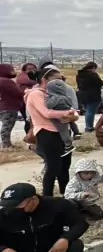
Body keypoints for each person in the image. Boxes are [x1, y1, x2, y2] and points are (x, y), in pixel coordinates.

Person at [24, 68, 79, 196]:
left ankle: (66, 195)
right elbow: (46, 113)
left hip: (62, 134)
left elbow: (73, 110)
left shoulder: (54, 93)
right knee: (53, 168)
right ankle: (47, 198)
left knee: (64, 168)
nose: (61, 82)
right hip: (47, 133)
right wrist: (68, 113)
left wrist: (73, 115)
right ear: (44, 80)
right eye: (57, 79)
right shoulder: (36, 94)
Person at [44, 78, 78, 155]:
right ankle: (76, 132)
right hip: (68, 113)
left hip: (59, 117)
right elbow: (70, 104)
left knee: (63, 131)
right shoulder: (66, 97)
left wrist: (47, 99)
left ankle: (68, 145)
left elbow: (49, 106)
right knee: (71, 123)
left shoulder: (55, 98)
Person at [0, 64, 24, 152]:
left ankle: (7, 144)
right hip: (9, 107)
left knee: (6, 125)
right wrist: (24, 92)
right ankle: (6, 146)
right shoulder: (6, 81)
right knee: (7, 126)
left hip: (2, 107)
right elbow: (17, 93)